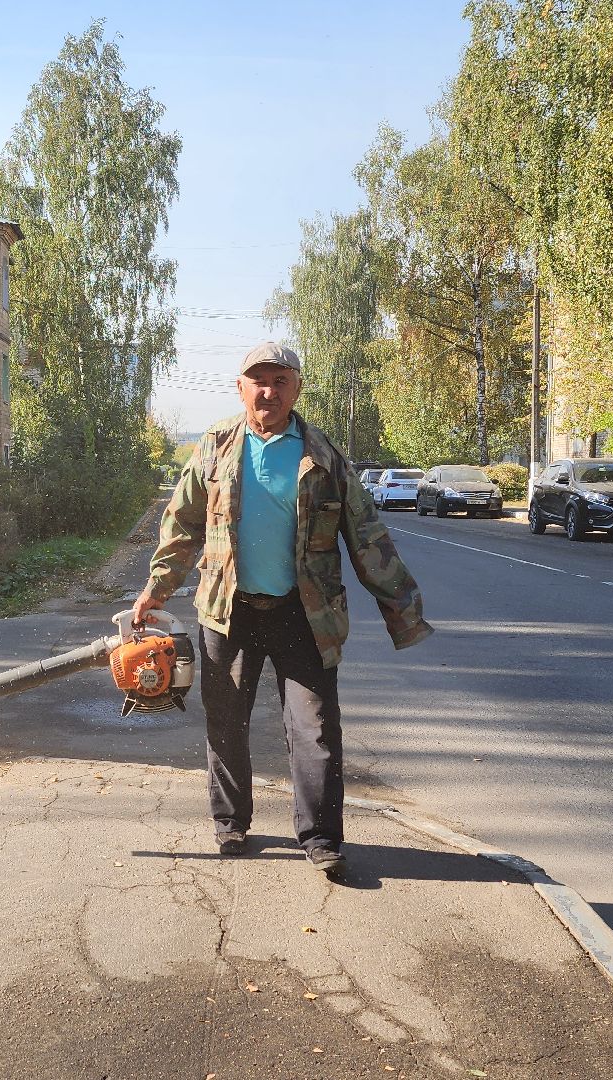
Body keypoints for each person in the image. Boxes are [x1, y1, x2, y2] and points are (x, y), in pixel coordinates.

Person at [132, 341, 433, 878]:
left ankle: (320, 837)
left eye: (279, 381)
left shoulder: (322, 455)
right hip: (228, 611)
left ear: (296, 388)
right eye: (258, 380)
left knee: (314, 728)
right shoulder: (215, 447)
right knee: (225, 723)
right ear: (241, 387)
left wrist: (403, 611)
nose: (268, 391)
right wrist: (156, 589)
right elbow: (182, 525)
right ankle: (230, 823)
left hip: (305, 614)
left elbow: (368, 537)